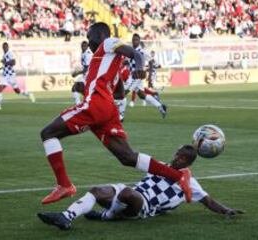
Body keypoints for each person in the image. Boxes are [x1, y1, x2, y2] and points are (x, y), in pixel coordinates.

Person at [40, 22, 191, 205]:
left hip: (96, 106)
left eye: (90, 36)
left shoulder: (108, 42)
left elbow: (134, 53)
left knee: (48, 133)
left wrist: (138, 67)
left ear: (100, 34)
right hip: (107, 110)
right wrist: (84, 87)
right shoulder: (110, 61)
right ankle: (178, 176)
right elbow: (119, 93)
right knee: (126, 157)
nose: (89, 40)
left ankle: (64, 185)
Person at [37, 144, 244, 230]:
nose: (178, 159)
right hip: (132, 194)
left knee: (128, 193)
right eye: (178, 154)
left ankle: (106, 215)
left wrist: (226, 210)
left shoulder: (189, 182)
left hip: (145, 208)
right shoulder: (161, 166)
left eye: (184, 158)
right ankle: (66, 217)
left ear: (189, 163)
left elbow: (208, 201)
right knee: (97, 191)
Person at [116, 34, 167, 121]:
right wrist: (121, 64)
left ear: (139, 41)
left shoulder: (143, 51)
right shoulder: (131, 51)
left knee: (123, 93)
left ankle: (121, 115)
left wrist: (150, 76)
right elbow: (127, 62)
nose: (134, 41)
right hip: (133, 75)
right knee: (142, 95)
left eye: (136, 40)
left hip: (136, 76)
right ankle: (160, 106)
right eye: (133, 40)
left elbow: (151, 62)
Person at [0, 42, 35, 111]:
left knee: (17, 91)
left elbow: (13, 62)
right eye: (3, 47)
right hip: (5, 75)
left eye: (5, 47)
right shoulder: (4, 55)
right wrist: (1, 68)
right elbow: (7, 65)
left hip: (11, 75)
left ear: (8, 47)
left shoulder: (10, 53)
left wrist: (5, 62)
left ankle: (29, 94)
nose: (4, 48)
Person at [71, 41, 93, 105]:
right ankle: (80, 105)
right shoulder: (83, 53)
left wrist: (77, 73)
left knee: (75, 88)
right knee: (84, 93)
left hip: (89, 76)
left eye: (85, 46)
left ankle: (78, 105)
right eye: (82, 46)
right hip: (85, 75)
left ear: (87, 46)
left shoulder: (88, 54)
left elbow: (87, 68)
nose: (83, 47)